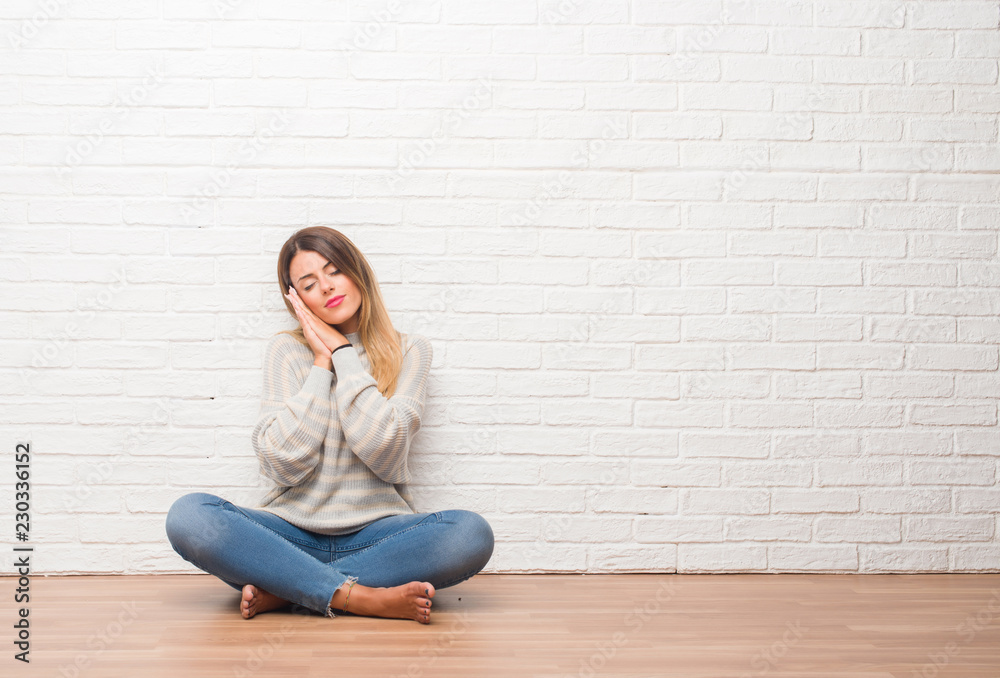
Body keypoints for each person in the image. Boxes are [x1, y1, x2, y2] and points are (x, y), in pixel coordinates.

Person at [165, 226, 494, 624]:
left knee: (470, 533)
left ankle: (290, 589)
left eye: (334, 270)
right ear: (296, 299)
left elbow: (384, 450)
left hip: (380, 536)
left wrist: (342, 352)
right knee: (189, 516)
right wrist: (321, 364)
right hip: (288, 535)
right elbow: (284, 464)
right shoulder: (287, 351)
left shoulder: (410, 350)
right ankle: (361, 598)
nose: (325, 287)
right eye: (308, 283)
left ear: (356, 272)